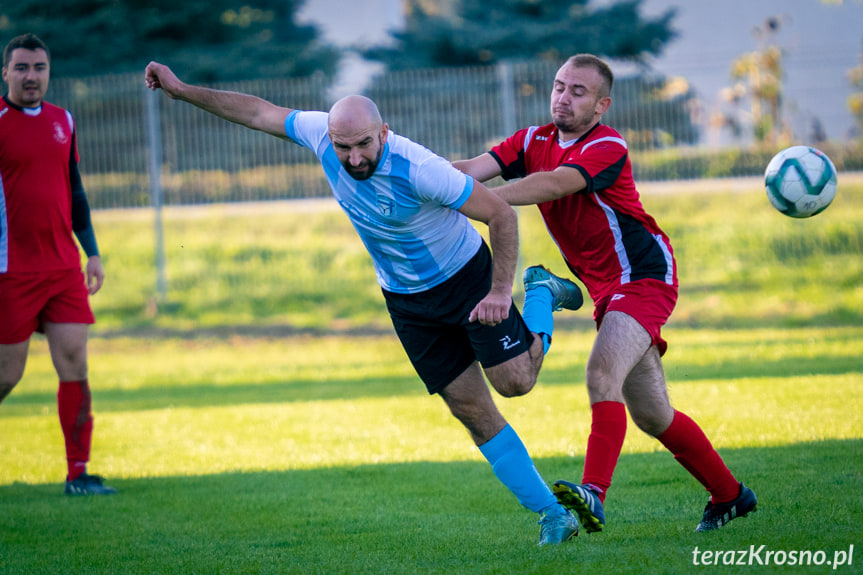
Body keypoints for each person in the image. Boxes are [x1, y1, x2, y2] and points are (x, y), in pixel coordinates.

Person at [144, 61, 585, 545]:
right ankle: (550, 513)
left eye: (364, 145)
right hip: (406, 299)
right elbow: (258, 112)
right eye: (343, 147)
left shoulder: (421, 169)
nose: (354, 159)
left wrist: (502, 292)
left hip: (466, 280)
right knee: (471, 410)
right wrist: (183, 91)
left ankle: (538, 293)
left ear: (384, 134)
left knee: (516, 383)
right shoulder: (321, 135)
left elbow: (500, 213)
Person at [454, 54, 757, 533]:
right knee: (654, 414)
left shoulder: (608, 144)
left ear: (601, 105)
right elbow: (470, 169)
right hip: (605, 290)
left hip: (643, 277)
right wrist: (413, 179)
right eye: (559, 86)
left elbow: (553, 185)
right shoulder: (530, 139)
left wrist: (479, 200)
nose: (563, 97)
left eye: (578, 91)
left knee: (600, 374)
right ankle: (731, 495)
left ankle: (593, 493)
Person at [0, 33, 116, 496]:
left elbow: (75, 191)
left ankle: (78, 473)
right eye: (22, 67)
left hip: (64, 268)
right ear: (5, 73)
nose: (32, 76)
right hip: (11, 270)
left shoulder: (62, 120)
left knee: (75, 364)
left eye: (40, 67)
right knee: (7, 376)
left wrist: (92, 252)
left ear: (49, 72)